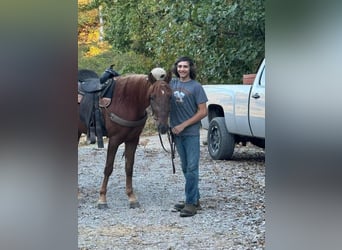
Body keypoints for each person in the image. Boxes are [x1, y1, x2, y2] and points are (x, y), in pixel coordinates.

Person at [170, 56, 208, 217]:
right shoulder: (171, 84)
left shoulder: (196, 87)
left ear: (190, 68)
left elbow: (203, 111)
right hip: (176, 133)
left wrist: (183, 125)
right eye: (179, 67)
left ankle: (191, 203)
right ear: (176, 68)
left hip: (190, 133)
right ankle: (194, 198)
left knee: (192, 168)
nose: (182, 69)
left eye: (185, 67)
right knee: (185, 167)